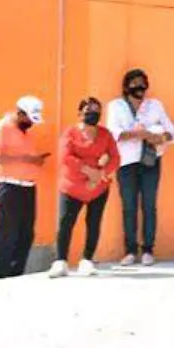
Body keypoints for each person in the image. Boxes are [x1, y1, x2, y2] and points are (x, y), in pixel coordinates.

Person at [106, 68, 174, 267]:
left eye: (143, 83)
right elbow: (114, 133)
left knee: (149, 205)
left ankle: (148, 249)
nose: (140, 88)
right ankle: (130, 250)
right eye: (135, 84)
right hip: (126, 162)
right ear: (126, 86)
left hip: (150, 161)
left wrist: (160, 137)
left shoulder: (155, 106)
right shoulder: (116, 106)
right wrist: (140, 134)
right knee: (129, 206)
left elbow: (172, 131)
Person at [50, 98, 121, 278]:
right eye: (89, 110)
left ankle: (87, 260)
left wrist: (101, 174)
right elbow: (65, 157)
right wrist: (88, 171)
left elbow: (115, 158)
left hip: (98, 187)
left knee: (94, 222)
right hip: (72, 187)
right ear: (80, 113)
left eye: (97, 110)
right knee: (66, 223)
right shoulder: (70, 133)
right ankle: (60, 261)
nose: (93, 113)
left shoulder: (106, 134)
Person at [0, 96, 48, 280]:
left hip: (28, 188)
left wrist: (35, 161)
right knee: (8, 233)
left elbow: (24, 157)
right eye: (29, 118)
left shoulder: (26, 133)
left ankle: (16, 275)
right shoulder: (2, 127)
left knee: (26, 233)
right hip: (9, 187)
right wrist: (25, 159)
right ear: (19, 112)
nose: (31, 122)